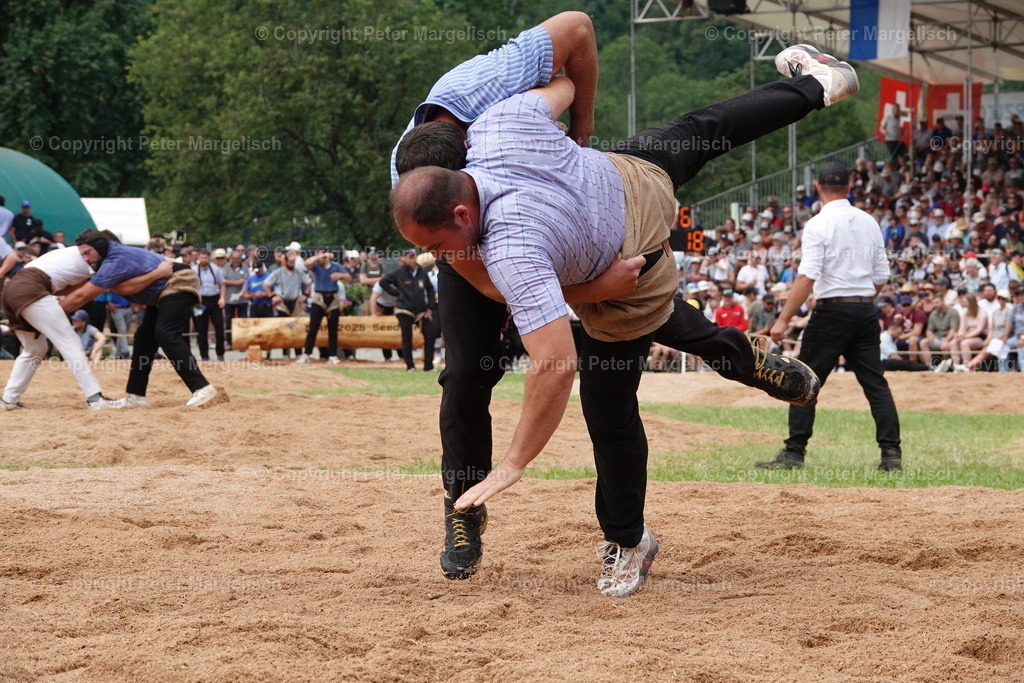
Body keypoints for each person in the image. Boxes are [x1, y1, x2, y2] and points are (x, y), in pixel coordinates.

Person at [392, 44, 847, 596]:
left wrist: (513, 462)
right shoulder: (489, 132)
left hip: (622, 243)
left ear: (467, 154)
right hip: (614, 184)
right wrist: (576, 134)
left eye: (439, 246)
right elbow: (564, 74)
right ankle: (816, 88)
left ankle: (628, 537)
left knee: (608, 402)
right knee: (703, 128)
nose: (436, 256)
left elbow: (550, 355)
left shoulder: (510, 234)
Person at [758, 161, 902, 472]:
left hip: (832, 310)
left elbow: (807, 277)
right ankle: (891, 455)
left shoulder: (818, 224)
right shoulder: (870, 222)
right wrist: (860, 300)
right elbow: (881, 276)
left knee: (803, 380)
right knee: (875, 384)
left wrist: (782, 321)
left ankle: (794, 453)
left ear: (818, 188)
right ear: (850, 187)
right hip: (864, 308)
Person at [58, 231, 222, 408]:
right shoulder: (104, 262)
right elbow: (82, 287)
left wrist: (51, 313)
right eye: (81, 254)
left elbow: (85, 294)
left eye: (87, 252)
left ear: (100, 247)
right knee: (144, 338)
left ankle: (203, 388)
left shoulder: (115, 260)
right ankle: (135, 396)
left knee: (165, 332)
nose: (84, 258)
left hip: (178, 280)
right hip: (161, 291)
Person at [0, 239, 126, 410]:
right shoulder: (91, 258)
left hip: (12, 291)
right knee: (70, 342)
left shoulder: (71, 254)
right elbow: (84, 292)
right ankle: (95, 399)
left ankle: (8, 400)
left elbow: (65, 288)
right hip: (30, 289)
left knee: (35, 348)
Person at [379, 249, 437, 372]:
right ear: (405, 258)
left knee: (430, 335)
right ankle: (410, 366)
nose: (412, 259)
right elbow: (383, 282)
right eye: (410, 257)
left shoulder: (422, 272)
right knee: (407, 337)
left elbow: (430, 289)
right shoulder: (399, 272)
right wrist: (396, 293)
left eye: (414, 257)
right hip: (404, 309)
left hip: (421, 310)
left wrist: (430, 307)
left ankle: (428, 366)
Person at [298, 251, 346, 364]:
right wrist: (319, 257)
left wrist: (341, 275)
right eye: (318, 256)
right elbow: (305, 264)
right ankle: (306, 354)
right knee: (313, 328)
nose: (320, 259)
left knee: (333, 329)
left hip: (333, 298)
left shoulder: (336, 266)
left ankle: (332, 356)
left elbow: (348, 277)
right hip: (319, 299)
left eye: (323, 256)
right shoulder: (316, 266)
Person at [191, 249, 226, 362]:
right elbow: (191, 286)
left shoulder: (216, 269)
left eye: (205, 258)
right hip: (200, 301)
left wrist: (222, 298)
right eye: (201, 258)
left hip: (214, 299)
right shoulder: (194, 270)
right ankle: (204, 355)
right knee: (201, 330)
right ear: (198, 259)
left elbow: (222, 284)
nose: (203, 260)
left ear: (209, 258)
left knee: (219, 328)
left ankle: (220, 354)